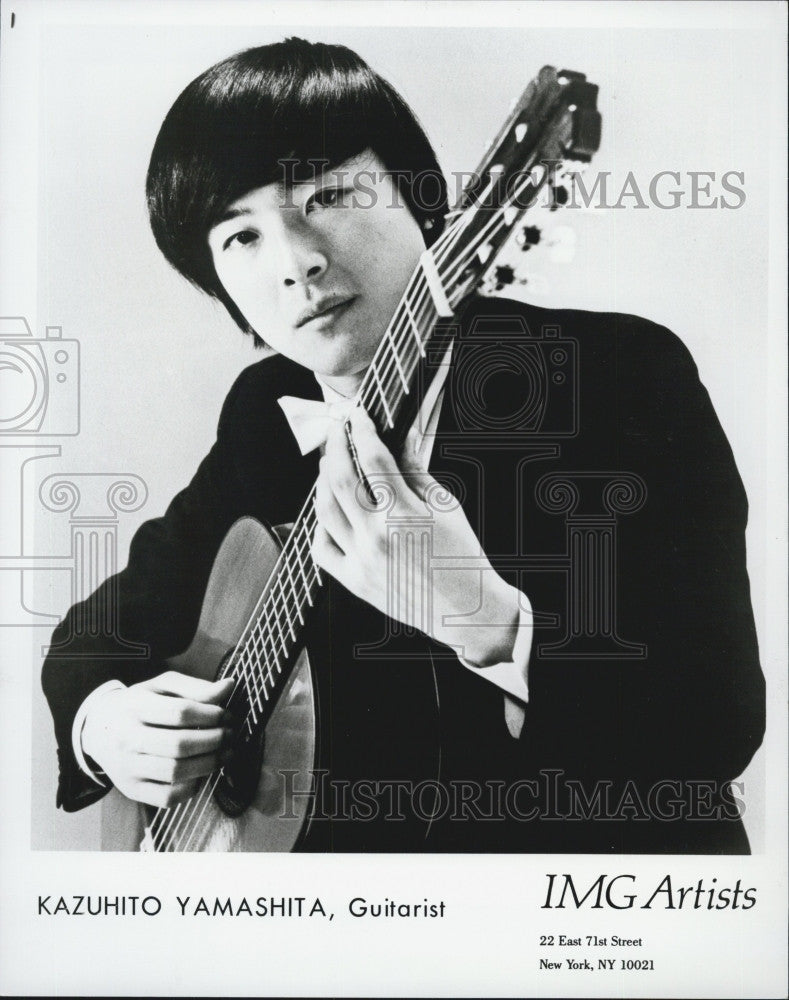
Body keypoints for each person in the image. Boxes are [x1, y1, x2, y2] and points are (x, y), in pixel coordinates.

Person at [42, 38, 765, 853]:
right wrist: (103, 724)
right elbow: (99, 630)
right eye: (239, 238)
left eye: (329, 195)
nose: (297, 262)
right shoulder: (262, 416)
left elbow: (714, 724)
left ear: (420, 200)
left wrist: (482, 620)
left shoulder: (617, 374)